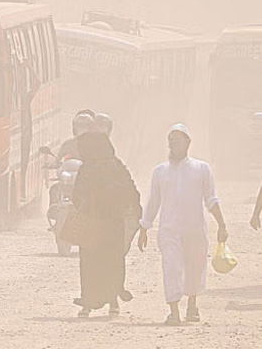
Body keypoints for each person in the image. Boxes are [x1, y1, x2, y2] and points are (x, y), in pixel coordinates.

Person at [138, 123, 229, 326]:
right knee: (171, 266)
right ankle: (173, 311)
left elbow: (211, 199)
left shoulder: (201, 168)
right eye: (171, 140)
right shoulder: (160, 171)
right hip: (169, 230)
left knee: (194, 267)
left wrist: (222, 224)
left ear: (188, 143)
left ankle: (192, 306)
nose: (173, 144)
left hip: (195, 229)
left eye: (178, 140)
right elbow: (153, 201)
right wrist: (144, 227)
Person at [71, 131, 141, 317]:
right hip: (113, 223)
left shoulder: (87, 168)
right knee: (113, 261)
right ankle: (113, 302)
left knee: (90, 264)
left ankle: (88, 303)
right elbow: (131, 191)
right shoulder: (116, 166)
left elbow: (77, 195)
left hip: (92, 222)